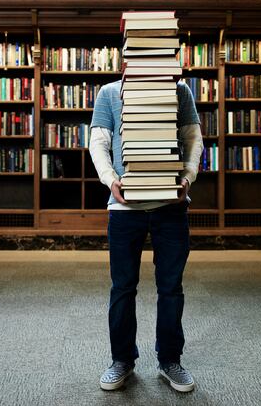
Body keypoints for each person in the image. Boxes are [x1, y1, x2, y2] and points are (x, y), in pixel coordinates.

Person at [89, 78, 204, 393]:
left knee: (171, 288)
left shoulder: (180, 90)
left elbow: (192, 137)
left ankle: (170, 361)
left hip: (171, 207)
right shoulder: (110, 92)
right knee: (123, 288)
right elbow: (98, 140)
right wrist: (111, 180)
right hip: (125, 209)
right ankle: (121, 361)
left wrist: (187, 178)